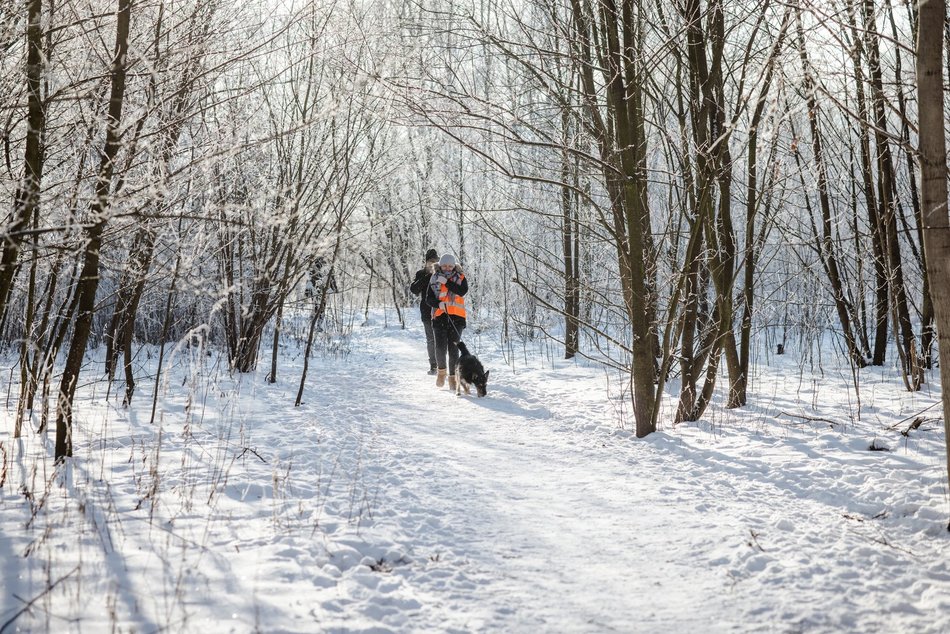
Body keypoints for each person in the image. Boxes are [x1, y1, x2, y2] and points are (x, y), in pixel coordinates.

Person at [425, 253, 468, 390]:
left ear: (454, 266)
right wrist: (438, 304)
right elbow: (428, 298)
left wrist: (447, 282)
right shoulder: (434, 278)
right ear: (440, 265)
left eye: (450, 266)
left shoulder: (460, 277)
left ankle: (452, 378)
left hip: (457, 318)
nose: (448, 268)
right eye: (445, 265)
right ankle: (441, 372)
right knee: (440, 348)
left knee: (453, 349)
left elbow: (462, 291)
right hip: (439, 317)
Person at [410, 248, 440, 374]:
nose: (432, 263)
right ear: (426, 262)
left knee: (440, 339)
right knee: (430, 339)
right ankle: (433, 365)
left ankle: (442, 364)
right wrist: (428, 275)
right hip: (426, 311)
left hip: (440, 310)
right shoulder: (421, 273)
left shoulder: (441, 272)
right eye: (430, 261)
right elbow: (414, 289)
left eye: (435, 261)